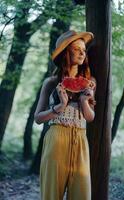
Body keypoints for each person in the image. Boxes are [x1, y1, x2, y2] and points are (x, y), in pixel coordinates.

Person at [34, 30, 97, 200]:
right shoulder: (51, 82)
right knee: (51, 194)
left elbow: (90, 117)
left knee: (81, 195)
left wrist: (84, 101)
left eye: (84, 49)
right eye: (77, 48)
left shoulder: (90, 82)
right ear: (66, 52)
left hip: (81, 140)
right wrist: (59, 107)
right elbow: (38, 118)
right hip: (56, 138)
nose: (82, 52)